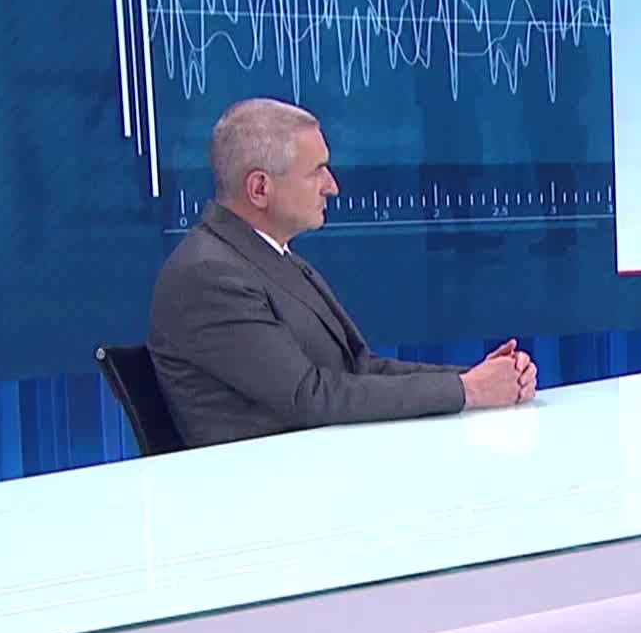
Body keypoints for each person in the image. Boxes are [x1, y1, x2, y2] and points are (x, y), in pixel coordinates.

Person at [148, 98, 537, 448]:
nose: (332, 187)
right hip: (271, 491)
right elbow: (309, 397)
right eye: (316, 171)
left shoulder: (269, 257)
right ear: (260, 188)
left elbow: (359, 368)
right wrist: (468, 391)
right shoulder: (208, 276)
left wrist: (479, 377)